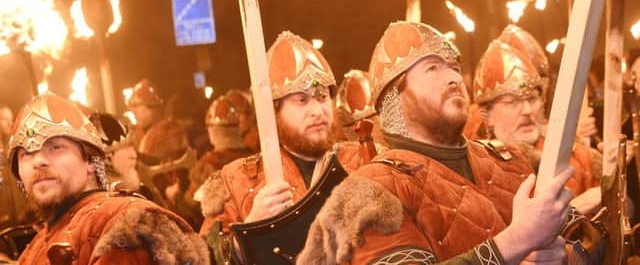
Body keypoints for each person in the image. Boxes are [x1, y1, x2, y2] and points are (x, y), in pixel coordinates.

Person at [298, 21, 575, 264]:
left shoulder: (512, 159)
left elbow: (593, 242)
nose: (454, 77)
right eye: (433, 68)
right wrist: (517, 241)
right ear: (394, 96)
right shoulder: (370, 190)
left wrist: (568, 257)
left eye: (454, 67)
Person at [197, 31, 368, 263]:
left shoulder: (364, 160)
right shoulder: (236, 180)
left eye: (322, 97)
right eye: (301, 100)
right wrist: (250, 230)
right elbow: (204, 259)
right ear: (273, 111)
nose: (317, 111)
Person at [7, 92, 209, 264]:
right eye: (26, 154)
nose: (39, 161)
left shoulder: (125, 224)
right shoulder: (39, 242)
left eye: (55, 147)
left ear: (90, 162)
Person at [474, 39, 602, 215]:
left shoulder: (578, 156)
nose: (527, 110)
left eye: (532, 99)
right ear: (487, 115)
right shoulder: (477, 170)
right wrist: (573, 211)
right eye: (511, 102)